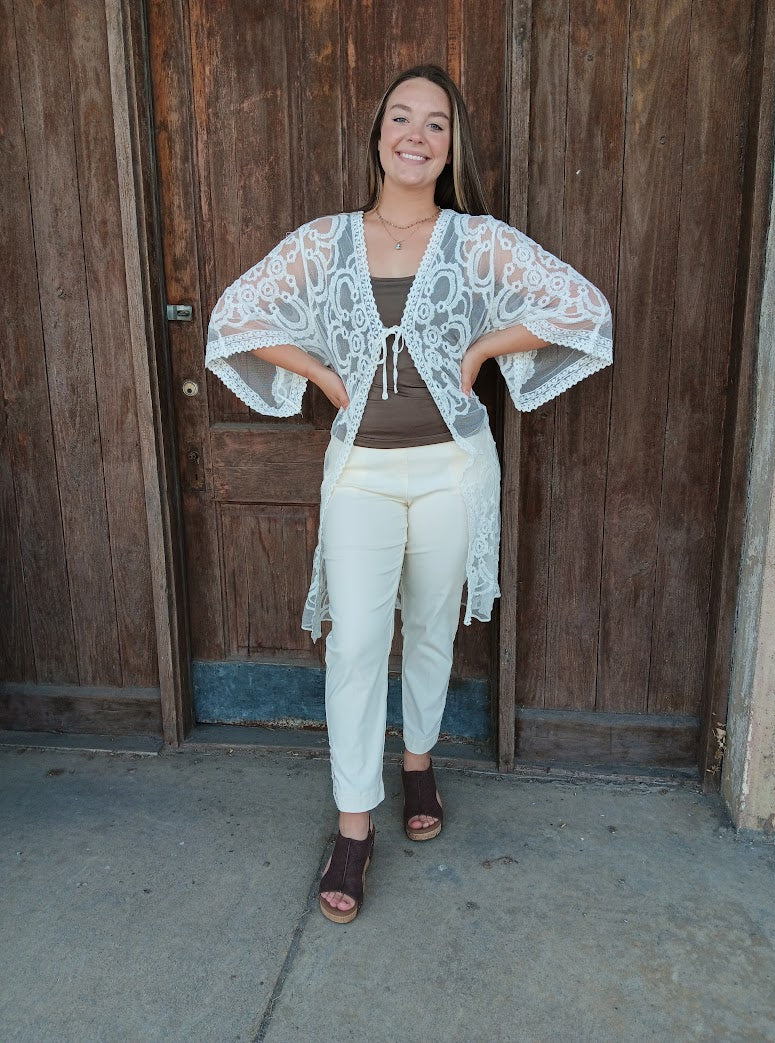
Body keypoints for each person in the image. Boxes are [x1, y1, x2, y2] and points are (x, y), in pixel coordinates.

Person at [205, 64, 613, 923]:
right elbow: (234, 317)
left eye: (436, 124)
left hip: (451, 471)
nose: (417, 135)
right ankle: (354, 825)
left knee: (430, 627)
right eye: (402, 118)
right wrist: (317, 371)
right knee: (355, 640)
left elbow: (582, 309)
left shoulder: (476, 240)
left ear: (450, 145)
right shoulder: (326, 240)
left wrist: (479, 353)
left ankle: (419, 759)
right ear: (378, 135)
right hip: (361, 473)